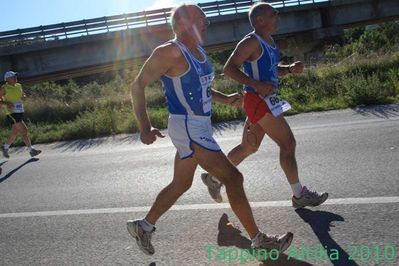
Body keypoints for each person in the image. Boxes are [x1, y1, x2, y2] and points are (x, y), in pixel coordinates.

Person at [126, 4, 293, 256]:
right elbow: (137, 86)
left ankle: (144, 226)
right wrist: (144, 126)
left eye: (205, 18)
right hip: (187, 125)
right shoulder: (169, 52)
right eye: (200, 18)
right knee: (233, 178)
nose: (206, 22)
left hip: (198, 126)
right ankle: (259, 241)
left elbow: (199, 88)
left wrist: (224, 98)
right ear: (182, 24)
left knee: (181, 184)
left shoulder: (199, 52)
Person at [201, 2, 328, 208]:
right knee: (288, 144)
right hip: (258, 100)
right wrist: (256, 84)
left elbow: (270, 69)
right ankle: (299, 195)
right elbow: (229, 69)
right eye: (273, 13)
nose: (278, 16)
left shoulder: (269, 41)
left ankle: (214, 179)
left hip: (263, 100)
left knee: (248, 147)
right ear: (260, 20)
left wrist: (288, 69)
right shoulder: (251, 41)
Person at [0, 71, 41, 158]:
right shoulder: (4, 88)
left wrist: (24, 96)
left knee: (15, 132)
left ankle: (5, 147)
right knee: (24, 130)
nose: (16, 78)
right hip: (12, 113)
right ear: (7, 79)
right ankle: (31, 150)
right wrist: (6, 103)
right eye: (13, 77)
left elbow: (22, 94)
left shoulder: (19, 85)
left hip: (20, 111)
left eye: (16, 76)